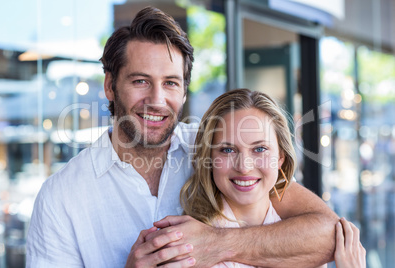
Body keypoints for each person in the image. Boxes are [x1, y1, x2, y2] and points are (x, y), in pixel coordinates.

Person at [27, 6, 340, 268]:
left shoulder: (219, 151)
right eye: (140, 80)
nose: (157, 99)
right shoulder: (61, 198)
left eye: (171, 83)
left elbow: (324, 231)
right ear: (110, 86)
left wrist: (218, 244)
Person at [179, 88, 366, 268]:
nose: (244, 167)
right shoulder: (188, 247)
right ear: (209, 159)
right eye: (228, 150)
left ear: (280, 158)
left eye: (259, 149)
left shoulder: (306, 244)